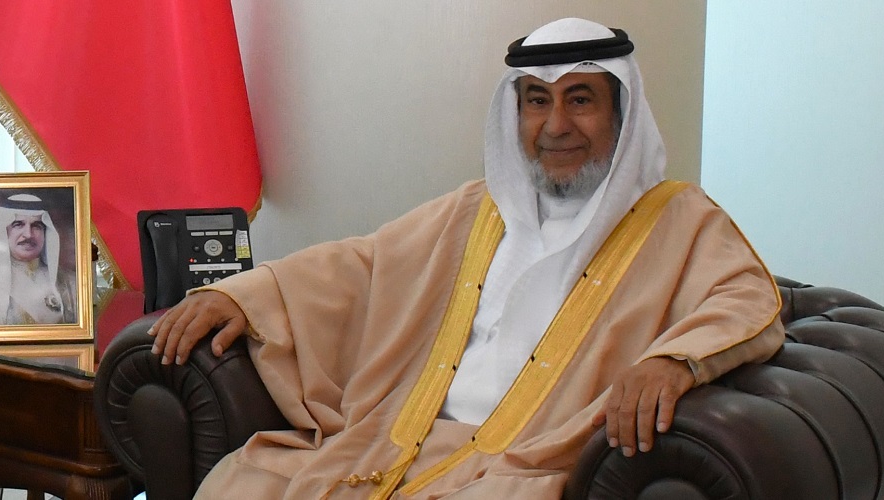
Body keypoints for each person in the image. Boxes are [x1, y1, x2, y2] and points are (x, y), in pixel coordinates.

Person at [148, 18, 784, 499]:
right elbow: (365, 265)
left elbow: (747, 298)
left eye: (581, 99)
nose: (556, 124)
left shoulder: (677, 219)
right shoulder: (479, 210)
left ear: (621, 115)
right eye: (537, 100)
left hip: (524, 465)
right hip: (396, 439)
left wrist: (674, 362)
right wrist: (243, 294)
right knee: (243, 482)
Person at [0, 193, 79, 325]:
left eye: (36, 226)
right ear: (4, 230)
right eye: (18, 224)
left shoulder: (70, 282)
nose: (28, 234)